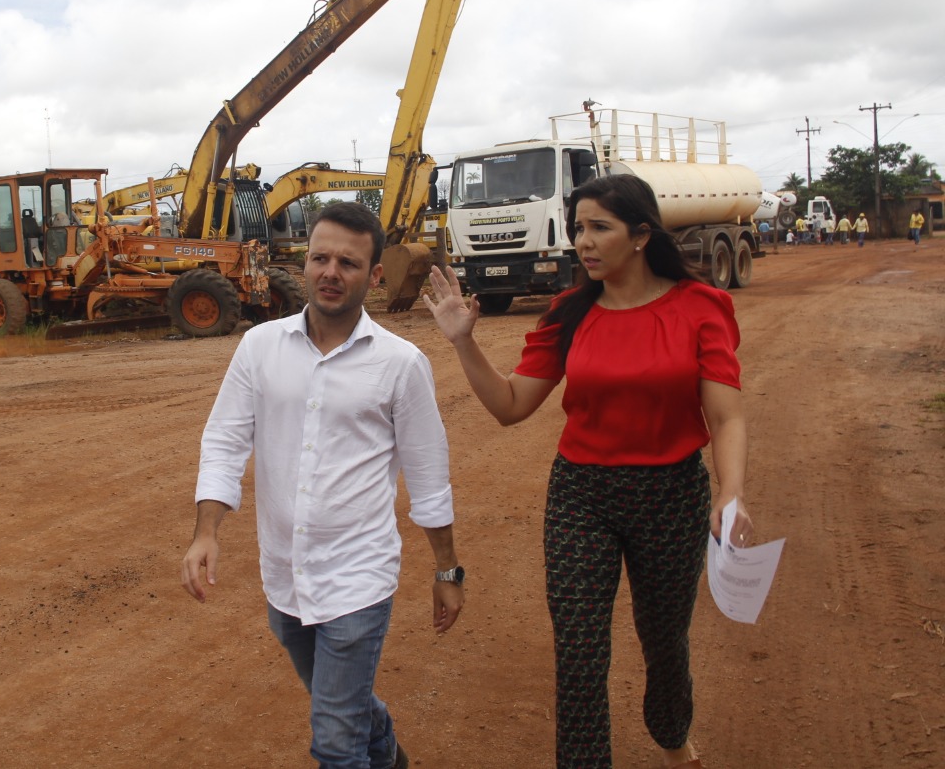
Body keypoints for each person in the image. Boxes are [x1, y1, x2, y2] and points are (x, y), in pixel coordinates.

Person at [423, 174, 753, 769]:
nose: (584, 241)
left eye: (600, 227)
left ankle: (672, 735)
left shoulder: (701, 308)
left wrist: (730, 494)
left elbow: (725, 417)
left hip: (671, 494)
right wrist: (463, 343)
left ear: (642, 233)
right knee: (579, 652)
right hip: (583, 496)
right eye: (579, 228)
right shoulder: (569, 312)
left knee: (664, 641)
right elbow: (510, 406)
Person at [182, 202, 463, 769]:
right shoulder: (259, 347)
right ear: (304, 263)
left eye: (349, 263)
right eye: (320, 258)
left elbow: (429, 476)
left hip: (358, 576)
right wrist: (205, 531)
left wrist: (447, 571)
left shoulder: (400, 364)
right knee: (345, 706)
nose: (331, 272)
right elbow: (225, 442)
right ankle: (391, 758)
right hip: (284, 575)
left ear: (374, 276)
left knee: (335, 739)